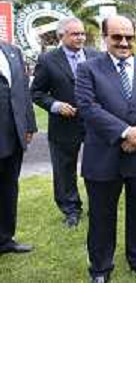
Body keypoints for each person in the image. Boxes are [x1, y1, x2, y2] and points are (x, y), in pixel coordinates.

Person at [75, 15, 136, 283]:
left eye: (129, 36)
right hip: (103, 156)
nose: (124, 42)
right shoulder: (88, 69)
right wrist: (125, 132)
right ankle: (101, 269)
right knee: (102, 216)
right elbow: (88, 108)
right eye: (117, 37)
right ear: (105, 38)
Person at [31, 17, 101, 227]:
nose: (80, 37)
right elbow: (36, 92)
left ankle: (98, 205)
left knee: (97, 165)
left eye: (82, 33)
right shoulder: (47, 60)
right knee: (64, 169)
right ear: (61, 36)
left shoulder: (96, 56)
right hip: (63, 124)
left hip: (94, 123)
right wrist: (56, 106)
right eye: (75, 34)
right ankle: (71, 210)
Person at [0, 40, 36, 255]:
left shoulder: (12, 51)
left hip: (13, 134)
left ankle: (5, 240)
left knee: (8, 187)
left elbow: (23, 89)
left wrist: (29, 124)